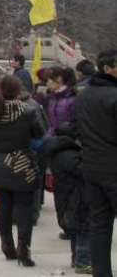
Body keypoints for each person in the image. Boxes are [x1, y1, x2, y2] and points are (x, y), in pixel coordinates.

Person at [0, 74, 46, 267]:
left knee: (5, 205)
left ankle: (6, 245)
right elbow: (39, 133)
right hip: (22, 163)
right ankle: (24, 249)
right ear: (19, 91)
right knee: (24, 207)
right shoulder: (28, 111)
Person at [75, 49, 117, 277]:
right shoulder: (113, 96)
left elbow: (75, 128)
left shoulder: (84, 94)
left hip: (92, 166)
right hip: (113, 168)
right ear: (108, 68)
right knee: (99, 224)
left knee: (99, 225)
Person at [41, 123, 91, 274]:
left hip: (68, 194)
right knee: (83, 227)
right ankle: (82, 261)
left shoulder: (59, 152)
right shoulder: (70, 154)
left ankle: (77, 258)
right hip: (75, 196)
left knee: (76, 228)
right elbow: (82, 172)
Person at [44, 67, 78, 136]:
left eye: (48, 81)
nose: (47, 84)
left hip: (69, 139)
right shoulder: (51, 98)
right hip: (53, 138)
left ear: (59, 79)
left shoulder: (72, 99)